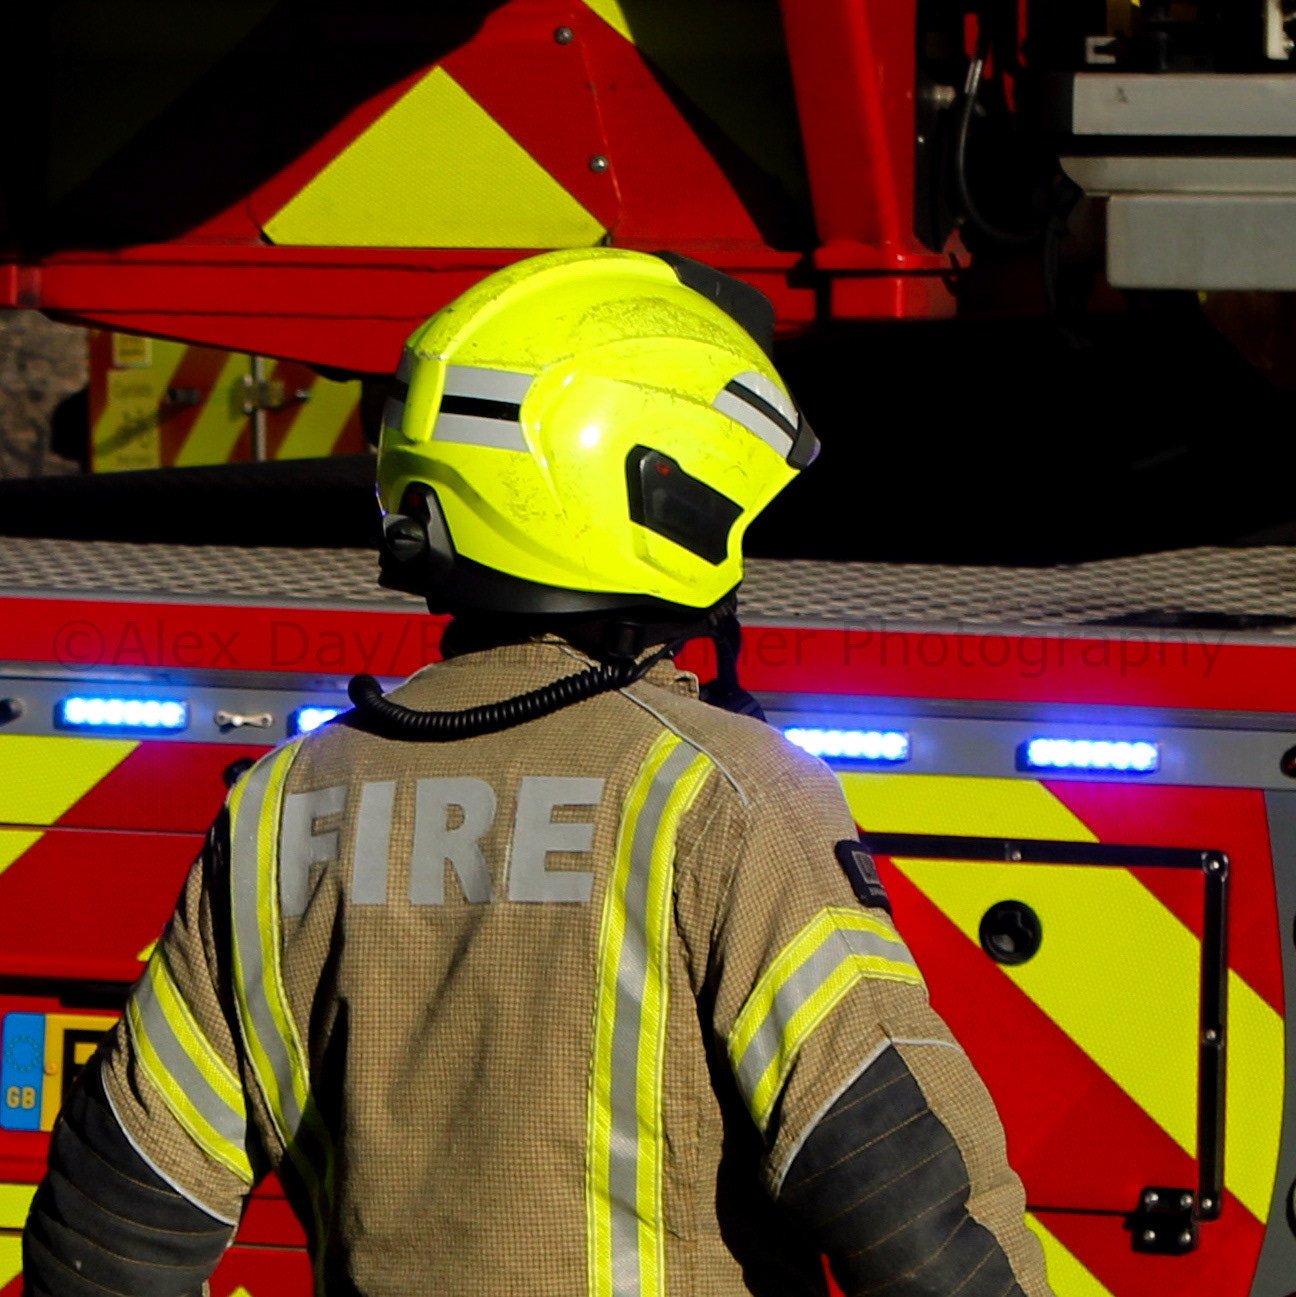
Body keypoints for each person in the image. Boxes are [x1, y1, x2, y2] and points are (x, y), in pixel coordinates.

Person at [22, 249, 1053, 1297]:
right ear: (665, 496)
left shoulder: (286, 805)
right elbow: (913, 1212)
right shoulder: (721, 794)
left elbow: (112, 1227)